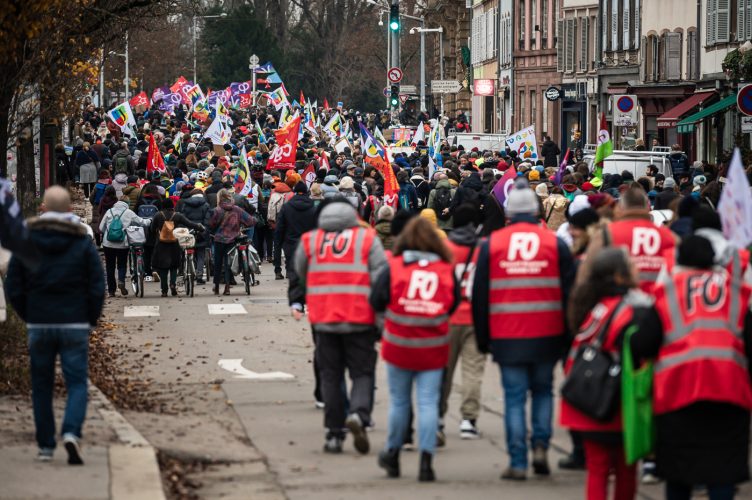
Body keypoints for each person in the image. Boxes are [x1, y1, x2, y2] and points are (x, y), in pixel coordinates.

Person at [631, 235, 752, 500]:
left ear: (679, 260)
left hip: (678, 393)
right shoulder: (737, 292)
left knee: (678, 473)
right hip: (730, 392)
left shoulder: (668, 291)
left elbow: (642, 344)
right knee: (723, 472)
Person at [472, 186, 575, 480]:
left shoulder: (492, 244)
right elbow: (570, 293)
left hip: (507, 334)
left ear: (508, 214)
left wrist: (482, 337)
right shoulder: (555, 244)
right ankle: (541, 446)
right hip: (548, 332)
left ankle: (518, 460)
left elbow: (480, 296)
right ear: (536, 212)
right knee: (543, 391)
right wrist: (567, 335)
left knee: (514, 398)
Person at [4, 186, 105, 464]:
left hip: (39, 321)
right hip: (74, 322)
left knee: (41, 385)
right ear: (70, 211)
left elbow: (13, 285)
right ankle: (71, 431)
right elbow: (97, 285)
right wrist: (91, 318)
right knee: (76, 382)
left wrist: (28, 314)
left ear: (43, 209)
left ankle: (46, 446)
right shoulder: (82, 242)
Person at [291, 200, 387, 454]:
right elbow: (380, 278)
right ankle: (358, 414)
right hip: (360, 317)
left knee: (331, 376)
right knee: (362, 373)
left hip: (324, 318)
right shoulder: (367, 239)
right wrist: (381, 318)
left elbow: (300, 270)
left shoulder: (311, 240)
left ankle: (334, 434)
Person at [370, 216, 459, 482]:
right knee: (428, 402)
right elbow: (452, 304)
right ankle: (426, 461)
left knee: (399, 402)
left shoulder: (394, 266)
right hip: (433, 343)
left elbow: (376, 299)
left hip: (399, 342)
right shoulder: (445, 268)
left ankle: (393, 453)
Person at [563, 248, 649, 500]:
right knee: (626, 469)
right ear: (619, 276)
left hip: (588, 403)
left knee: (597, 470)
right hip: (619, 402)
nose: (638, 269)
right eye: (632, 266)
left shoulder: (594, 306)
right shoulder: (632, 309)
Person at [440, 204, 486, 440]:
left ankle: (437, 417)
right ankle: (469, 419)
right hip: (476, 317)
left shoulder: (445, 249)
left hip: (448, 316)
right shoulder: (482, 249)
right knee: (473, 371)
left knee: (443, 371)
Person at [579, 185, 677, 294]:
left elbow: (586, 275)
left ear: (621, 208)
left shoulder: (606, 234)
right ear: (647, 207)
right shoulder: (669, 236)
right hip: (660, 303)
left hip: (619, 304)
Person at [150, 198, 204, 297]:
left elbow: (152, 229)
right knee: (174, 266)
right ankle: (173, 284)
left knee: (163, 268)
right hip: (174, 243)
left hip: (161, 244)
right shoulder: (177, 215)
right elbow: (190, 224)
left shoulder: (158, 215)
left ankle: (164, 290)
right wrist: (200, 227)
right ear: (172, 206)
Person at [99, 197, 151, 297]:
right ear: (127, 203)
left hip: (108, 244)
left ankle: (111, 291)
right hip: (123, 243)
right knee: (122, 264)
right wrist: (150, 220)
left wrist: (108, 231)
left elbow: (101, 228)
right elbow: (142, 222)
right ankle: (121, 281)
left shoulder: (109, 211)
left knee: (110, 266)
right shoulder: (129, 212)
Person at [208, 189, 255, 296]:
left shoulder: (217, 210)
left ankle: (216, 286)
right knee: (229, 263)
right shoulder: (237, 210)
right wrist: (255, 220)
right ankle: (227, 287)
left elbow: (211, 225)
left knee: (218, 263)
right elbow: (250, 221)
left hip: (219, 239)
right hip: (233, 240)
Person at [275, 182, 317, 287]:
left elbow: (280, 227)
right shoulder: (313, 207)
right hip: (308, 243)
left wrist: (278, 242)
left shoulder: (286, 207)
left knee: (292, 271)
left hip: (290, 242)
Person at [177, 189, 211, 284]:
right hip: (201, 233)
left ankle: (186, 271)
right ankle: (199, 276)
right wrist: (203, 231)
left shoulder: (185, 204)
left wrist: (184, 230)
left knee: (187, 252)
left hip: (189, 232)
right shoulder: (206, 205)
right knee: (201, 254)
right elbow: (207, 221)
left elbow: (182, 219)